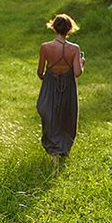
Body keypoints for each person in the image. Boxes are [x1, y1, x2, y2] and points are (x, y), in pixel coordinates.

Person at [37, 13, 84, 162]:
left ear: (54, 27)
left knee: (49, 114)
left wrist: (47, 79)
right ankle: (64, 148)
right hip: (68, 84)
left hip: (51, 81)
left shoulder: (45, 47)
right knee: (67, 115)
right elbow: (77, 73)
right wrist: (81, 62)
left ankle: (53, 150)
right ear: (69, 29)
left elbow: (40, 72)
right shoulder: (74, 49)